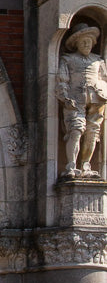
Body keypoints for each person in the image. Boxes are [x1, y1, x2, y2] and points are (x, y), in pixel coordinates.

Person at [56, 23, 107, 177]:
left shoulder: (98, 61)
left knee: (93, 132)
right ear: (76, 43)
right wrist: (64, 97)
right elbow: (62, 80)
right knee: (76, 130)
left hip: (96, 99)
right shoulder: (68, 59)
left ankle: (86, 165)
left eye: (89, 42)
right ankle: (71, 165)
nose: (87, 44)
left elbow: (104, 79)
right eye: (84, 41)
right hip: (74, 99)